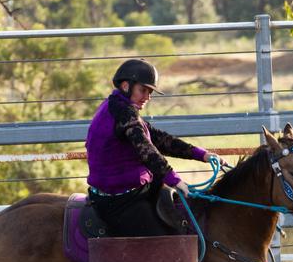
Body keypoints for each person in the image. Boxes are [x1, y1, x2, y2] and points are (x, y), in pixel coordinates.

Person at [85, 58, 223, 237]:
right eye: (143, 90)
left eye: (150, 92)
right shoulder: (123, 113)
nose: (147, 97)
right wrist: (175, 180)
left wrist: (202, 155)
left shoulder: (119, 107)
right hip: (119, 199)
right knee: (167, 240)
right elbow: (146, 150)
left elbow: (159, 139)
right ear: (126, 86)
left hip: (132, 191)